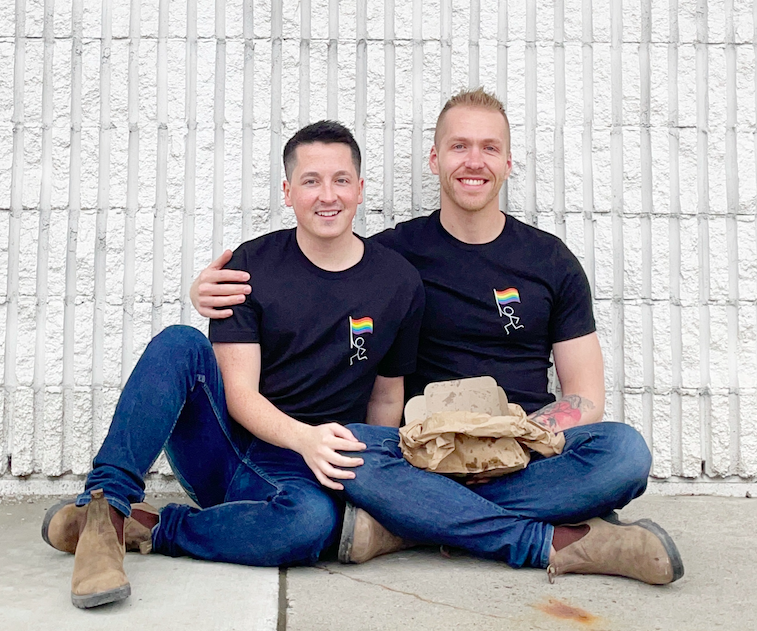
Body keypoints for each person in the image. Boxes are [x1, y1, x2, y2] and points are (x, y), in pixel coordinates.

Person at [193, 89, 683, 586]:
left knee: (625, 453)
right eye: (459, 146)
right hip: (419, 456)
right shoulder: (389, 258)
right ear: (434, 158)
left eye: (490, 148)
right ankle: (541, 537)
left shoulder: (551, 261)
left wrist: (518, 442)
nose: (474, 161)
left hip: (525, 454)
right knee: (353, 449)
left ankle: (406, 526)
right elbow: (317, 270)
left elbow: (585, 395)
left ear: (509, 162)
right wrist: (206, 291)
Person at [41, 121, 425, 609]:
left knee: (311, 526)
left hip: (305, 478)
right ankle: (105, 512)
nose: (327, 195)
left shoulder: (397, 282)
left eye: (340, 180)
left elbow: (387, 396)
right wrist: (305, 438)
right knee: (181, 342)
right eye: (310, 181)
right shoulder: (251, 266)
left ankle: (155, 528)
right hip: (226, 449)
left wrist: (368, 484)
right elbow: (239, 394)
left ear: (360, 188)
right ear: (288, 192)